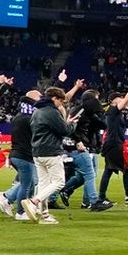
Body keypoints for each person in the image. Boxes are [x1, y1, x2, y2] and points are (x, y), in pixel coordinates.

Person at [22, 87, 79, 224]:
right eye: (60, 101)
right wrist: (72, 124)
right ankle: (33, 202)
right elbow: (65, 131)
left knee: (43, 184)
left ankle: (45, 215)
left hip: (37, 151)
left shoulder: (37, 111)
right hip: (51, 151)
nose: (61, 104)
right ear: (54, 98)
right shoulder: (52, 112)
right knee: (59, 182)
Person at [98, 76, 128, 206]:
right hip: (114, 144)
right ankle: (127, 195)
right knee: (123, 169)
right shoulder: (113, 110)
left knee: (110, 170)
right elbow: (126, 100)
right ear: (114, 100)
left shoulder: (113, 111)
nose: (123, 99)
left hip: (112, 143)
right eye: (120, 97)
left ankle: (102, 197)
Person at [0, 88, 41, 220]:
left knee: (30, 182)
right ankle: (21, 212)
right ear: (33, 100)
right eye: (39, 97)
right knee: (26, 184)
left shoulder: (19, 116)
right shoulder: (30, 119)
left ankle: (7, 198)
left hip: (17, 154)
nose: (42, 98)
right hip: (25, 155)